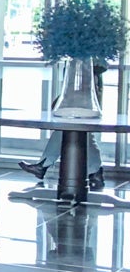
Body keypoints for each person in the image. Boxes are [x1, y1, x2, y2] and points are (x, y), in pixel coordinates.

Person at [20, 62, 107, 190]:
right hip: (81, 103)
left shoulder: (87, 67)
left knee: (72, 132)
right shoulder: (82, 65)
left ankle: (43, 166)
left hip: (84, 104)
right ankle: (95, 173)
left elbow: (86, 84)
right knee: (80, 134)